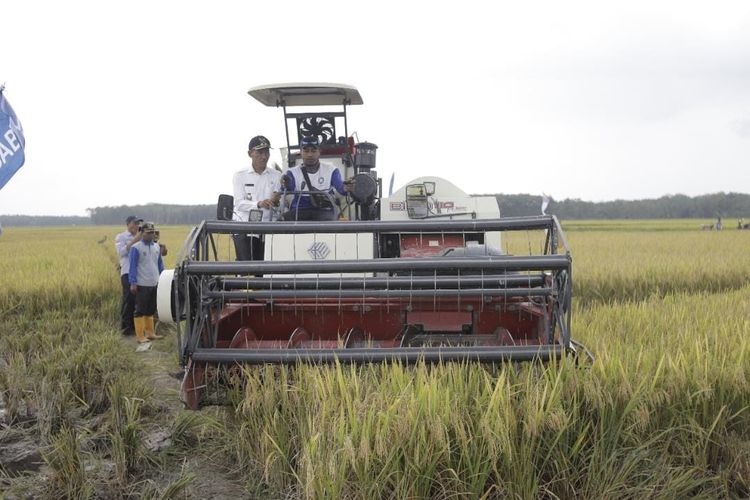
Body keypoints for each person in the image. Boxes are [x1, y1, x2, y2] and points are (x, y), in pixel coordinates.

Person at [232, 135, 282, 260]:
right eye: (260, 152)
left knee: (269, 271)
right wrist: (258, 204)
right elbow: (238, 203)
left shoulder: (277, 176)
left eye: (267, 152)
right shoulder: (240, 176)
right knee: (247, 271)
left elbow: (281, 205)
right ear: (250, 153)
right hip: (245, 227)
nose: (264, 156)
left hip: (270, 227)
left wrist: (276, 202)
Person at [281, 135, 352, 221]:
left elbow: (341, 188)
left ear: (319, 152)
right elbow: (287, 188)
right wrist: (285, 183)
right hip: (299, 211)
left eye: (313, 151)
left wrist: (347, 187)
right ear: (301, 152)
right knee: (280, 221)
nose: (310, 154)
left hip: (324, 211)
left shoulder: (331, 170)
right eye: (306, 151)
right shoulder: (292, 172)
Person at [128, 221, 165, 344]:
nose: (151, 235)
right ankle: (140, 335)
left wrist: (163, 278)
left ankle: (150, 333)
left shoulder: (156, 247)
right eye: (148, 233)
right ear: (142, 233)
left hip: (155, 283)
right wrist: (133, 282)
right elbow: (132, 266)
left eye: (153, 232)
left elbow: (160, 264)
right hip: (142, 284)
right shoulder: (136, 248)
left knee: (150, 309)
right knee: (140, 310)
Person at [115, 215, 143, 335]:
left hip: (140, 272)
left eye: (138, 223)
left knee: (139, 300)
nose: (137, 226)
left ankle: (136, 327)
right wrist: (135, 239)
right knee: (128, 299)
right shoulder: (121, 237)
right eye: (134, 223)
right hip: (127, 272)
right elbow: (121, 252)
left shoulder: (143, 237)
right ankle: (126, 328)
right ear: (128, 224)